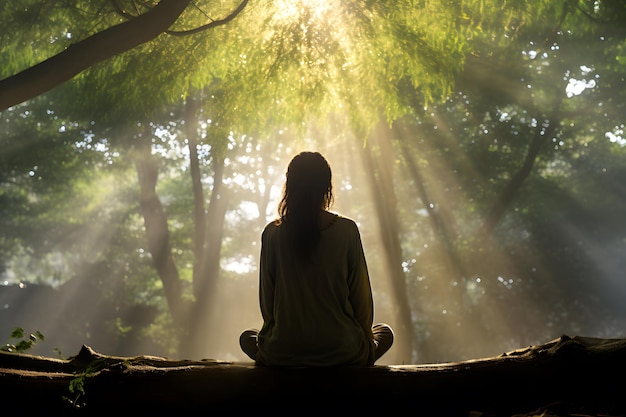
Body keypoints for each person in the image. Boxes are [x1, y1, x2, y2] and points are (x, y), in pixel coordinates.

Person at [239, 151, 393, 366]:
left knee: (247, 337)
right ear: (326, 187)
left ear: (289, 186)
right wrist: (364, 345)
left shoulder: (272, 233)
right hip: (343, 353)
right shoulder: (347, 230)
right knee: (385, 333)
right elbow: (362, 302)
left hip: (283, 355)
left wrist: (280, 340)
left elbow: (268, 306)